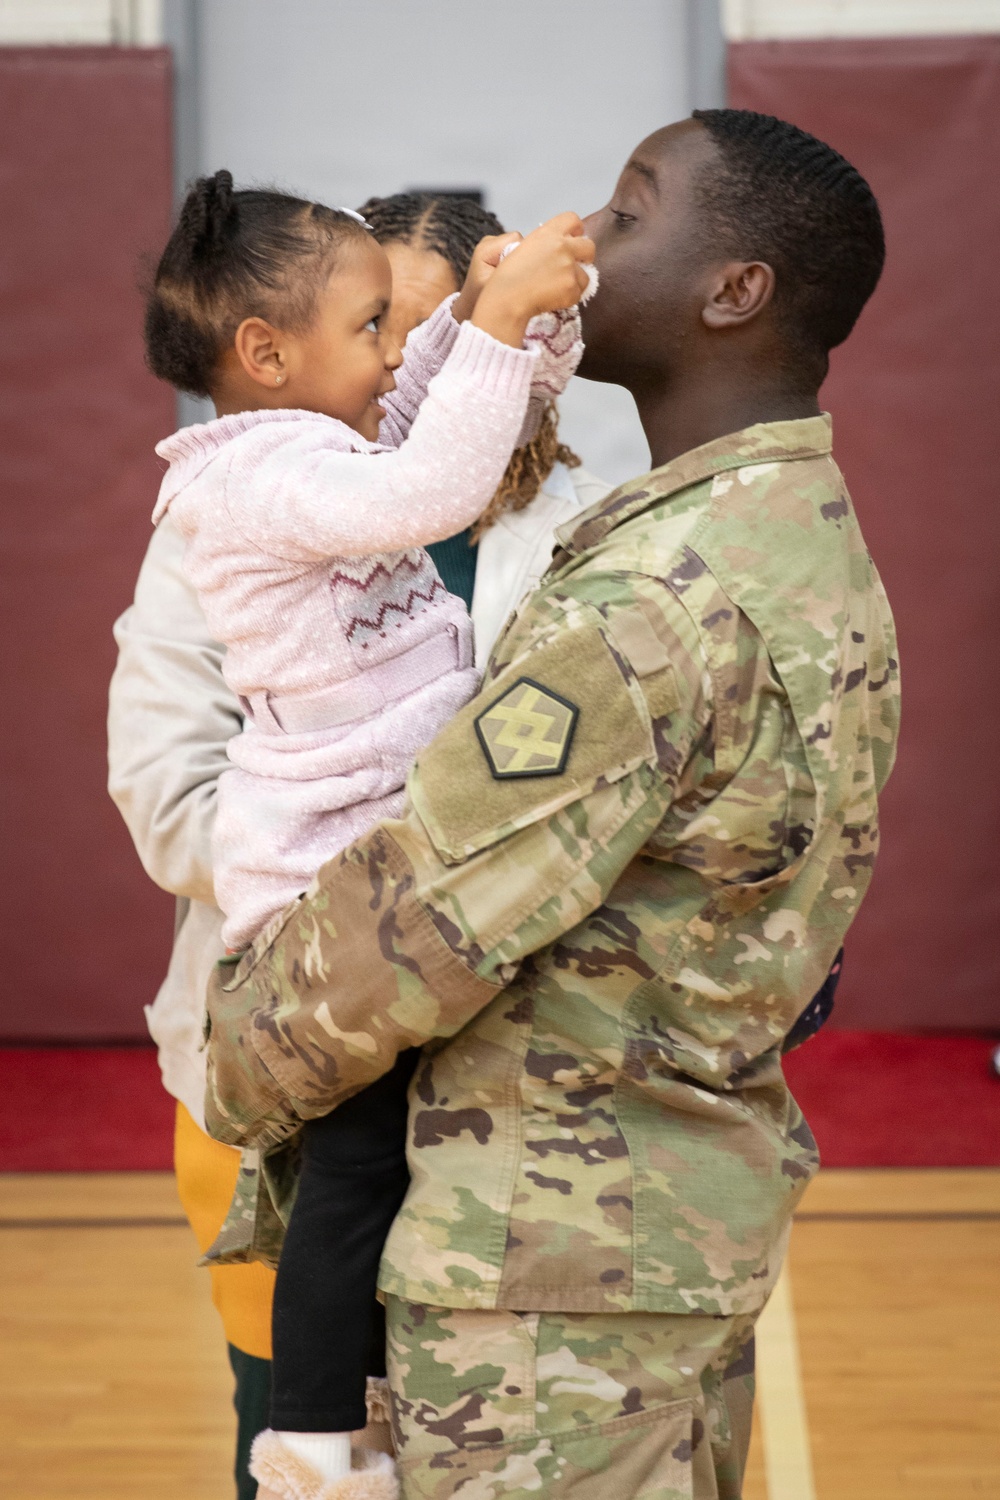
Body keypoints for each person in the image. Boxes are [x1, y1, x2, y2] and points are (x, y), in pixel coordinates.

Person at [202, 108, 900, 1500]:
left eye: (632, 212)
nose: (587, 231)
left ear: (735, 290)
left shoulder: (657, 596)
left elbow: (414, 926)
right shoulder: (797, 542)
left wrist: (237, 1054)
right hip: (651, 1250)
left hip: (545, 1296)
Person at [108, 190, 609, 1499]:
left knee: (470, 1388)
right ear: (273, 351)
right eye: (376, 322)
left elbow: (431, 421)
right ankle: (315, 1450)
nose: (399, 354)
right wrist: (398, 892)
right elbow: (167, 792)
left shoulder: (549, 521)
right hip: (318, 949)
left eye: (415, 323)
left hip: (493, 1061)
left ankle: (334, 1442)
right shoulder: (278, 484)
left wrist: (503, 319)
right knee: (338, 1215)